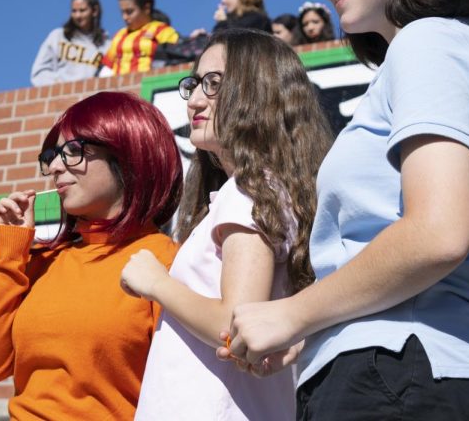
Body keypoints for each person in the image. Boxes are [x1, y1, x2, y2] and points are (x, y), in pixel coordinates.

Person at [226, 0, 469, 420]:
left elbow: (437, 232)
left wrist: (296, 313)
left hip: (403, 376)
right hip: (397, 374)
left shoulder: (429, 40)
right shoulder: (430, 51)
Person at [121, 29, 331, 420]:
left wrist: (156, 283)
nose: (195, 100)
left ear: (258, 91)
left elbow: (233, 324)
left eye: (213, 84)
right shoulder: (257, 190)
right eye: (195, 84)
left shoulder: (248, 190)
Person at [0, 91, 182, 420]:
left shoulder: (167, 260)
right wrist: (10, 251)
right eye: (52, 155)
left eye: (72, 151)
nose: (54, 167)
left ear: (129, 154)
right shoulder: (41, 259)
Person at [101, 0, 180, 75]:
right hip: (118, 88)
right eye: (122, 12)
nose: (124, 17)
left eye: (129, 12)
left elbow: (177, 59)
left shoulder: (162, 31)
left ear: (146, 8)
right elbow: (107, 67)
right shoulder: (120, 34)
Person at [31, 0, 109, 86]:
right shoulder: (58, 36)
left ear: (94, 11)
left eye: (82, 10)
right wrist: (59, 86)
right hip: (58, 96)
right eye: (74, 11)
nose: (77, 15)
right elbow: (38, 73)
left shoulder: (107, 45)